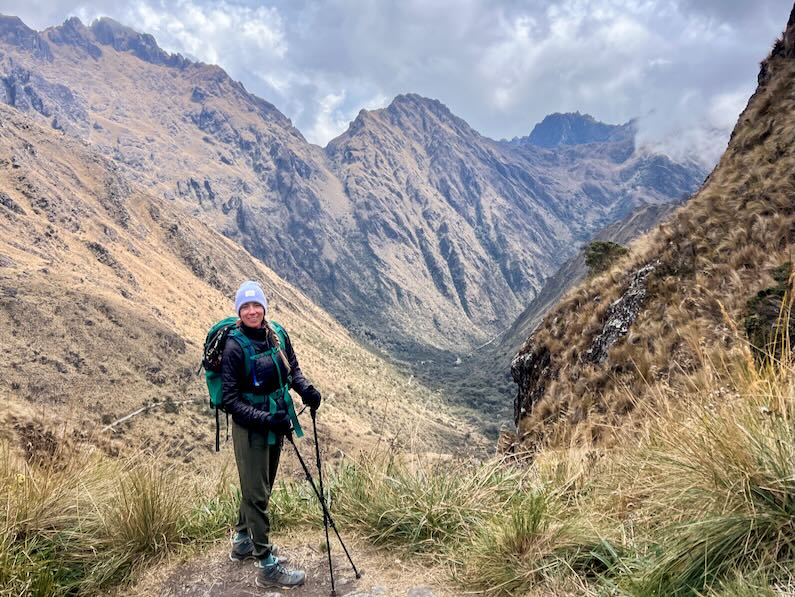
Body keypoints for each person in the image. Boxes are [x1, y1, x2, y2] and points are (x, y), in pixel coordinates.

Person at [221, 280, 322, 589]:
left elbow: (291, 369)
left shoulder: (276, 334)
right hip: (253, 428)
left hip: (277, 420)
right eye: (246, 306)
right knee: (258, 494)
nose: (252, 311)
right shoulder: (234, 347)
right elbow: (230, 400)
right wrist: (267, 419)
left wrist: (305, 390)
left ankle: (242, 541)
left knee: (258, 486)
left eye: (257, 305)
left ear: (264, 307)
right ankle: (266, 565)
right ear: (239, 310)